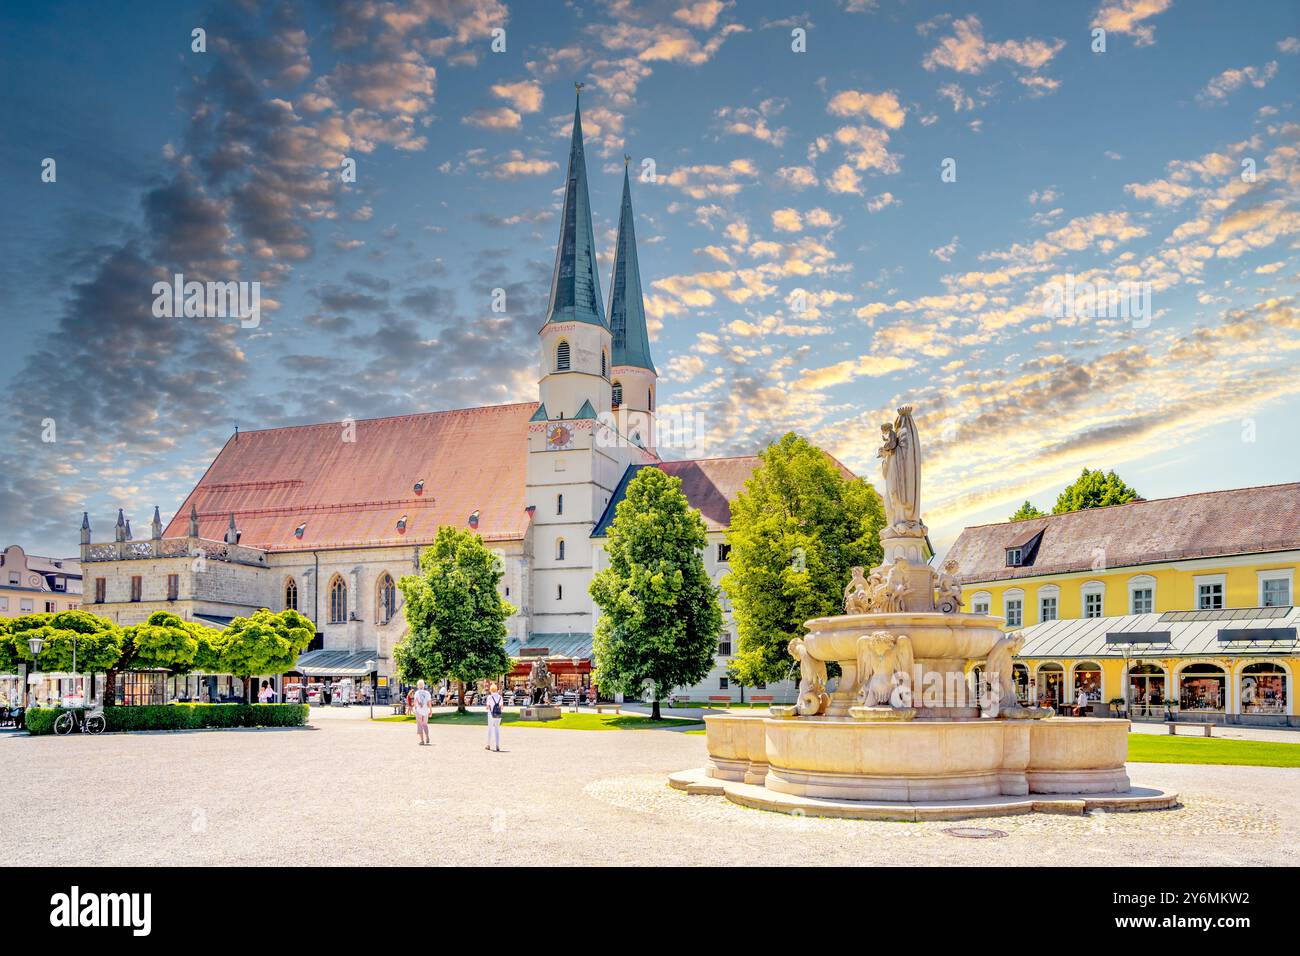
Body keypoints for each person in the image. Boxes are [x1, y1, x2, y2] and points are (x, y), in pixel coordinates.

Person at [485, 681, 504, 752]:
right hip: (498, 714)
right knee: (497, 730)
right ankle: (497, 745)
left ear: (491, 690)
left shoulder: (489, 697)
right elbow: (502, 707)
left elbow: (487, 707)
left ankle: (488, 745)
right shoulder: (500, 697)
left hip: (491, 714)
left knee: (490, 729)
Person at [412, 679, 432, 746]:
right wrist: (431, 711)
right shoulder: (427, 693)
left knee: (419, 725)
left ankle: (422, 740)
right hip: (425, 711)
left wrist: (415, 708)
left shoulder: (417, 693)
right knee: (425, 725)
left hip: (419, 711)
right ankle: (427, 737)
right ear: (423, 685)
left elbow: (415, 702)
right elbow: (429, 703)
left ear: (418, 685)